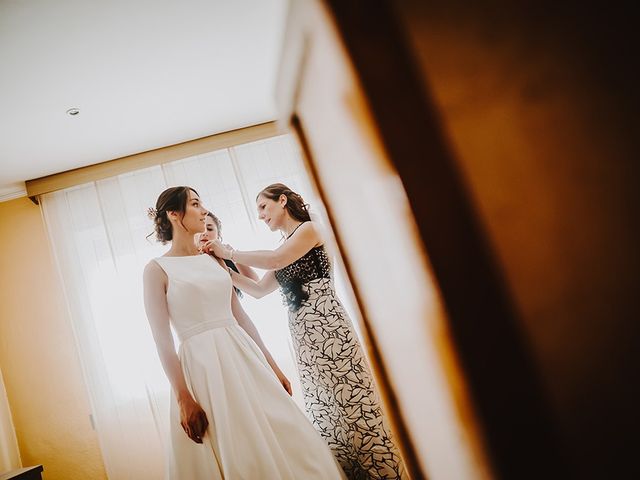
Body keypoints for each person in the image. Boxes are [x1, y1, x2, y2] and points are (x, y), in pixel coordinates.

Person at [204, 183, 407, 480]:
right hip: (304, 336)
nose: (261, 216)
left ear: (282, 201)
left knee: (354, 405)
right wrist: (222, 265)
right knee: (326, 409)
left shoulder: (310, 231)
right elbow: (259, 290)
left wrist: (229, 250)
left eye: (263, 207)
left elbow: (274, 260)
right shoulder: (283, 247)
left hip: (328, 328)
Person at [142, 186, 345, 479]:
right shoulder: (156, 269)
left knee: (284, 431)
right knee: (230, 439)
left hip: (242, 355)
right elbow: (161, 341)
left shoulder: (213, 259)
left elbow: (241, 317)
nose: (203, 210)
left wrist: (272, 365)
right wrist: (183, 396)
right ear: (174, 214)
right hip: (202, 368)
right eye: (196, 204)